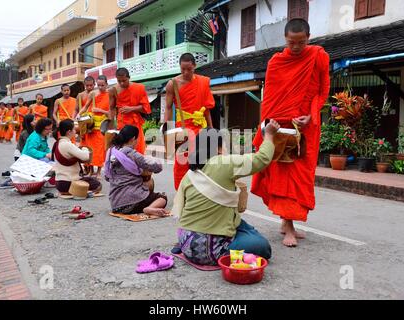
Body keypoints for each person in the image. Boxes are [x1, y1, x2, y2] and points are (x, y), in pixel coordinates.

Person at [251, 19, 330, 247]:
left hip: (305, 128)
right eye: (291, 42)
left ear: (309, 37)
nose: (296, 47)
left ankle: (288, 223)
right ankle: (289, 226)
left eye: (301, 42)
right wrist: (267, 126)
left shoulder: (318, 57)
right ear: (285, 39)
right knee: (283, 176)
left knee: (300, 176)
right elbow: (271, 99)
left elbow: (322, 90)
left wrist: (311, 116)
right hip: (280, 128)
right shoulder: (276, 62)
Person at [172, 120, 280, 266]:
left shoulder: (190, 172)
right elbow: (261, 159)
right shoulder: (223, 163)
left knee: (241, 224)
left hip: (186, 241)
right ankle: (231, 245)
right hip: (207, 251)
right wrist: (269, 135)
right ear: (217, 148)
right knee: (262, 247)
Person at [164, 53, 215, 190]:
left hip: (200, 127)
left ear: (194, 66)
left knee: (202, 161)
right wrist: (167, 129)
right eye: (183, 69)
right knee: (182, 162)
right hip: (183, 129)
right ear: (179, 67)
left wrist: (211, 129)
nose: (186, 72)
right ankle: (181, 192)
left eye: (189, 69)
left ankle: (200, 193)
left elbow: (207, 109)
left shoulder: (203, 82)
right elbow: (168, 108)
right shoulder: (172, 84)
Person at [104, 125, 168, 217]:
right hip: (133, 202)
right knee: (162, 198)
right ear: (133, 138)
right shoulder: (132, 154)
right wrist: (152, 159)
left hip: (116, 204)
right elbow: (157, 168)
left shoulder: (111, 152)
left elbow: (107, 177)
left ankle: (145, 205)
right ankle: (149, 208)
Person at [52, 119, 102, 195]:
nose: (75, 132)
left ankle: (68, 191)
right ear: (69, 132)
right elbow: (85, 157)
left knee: (89, 180)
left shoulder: (57, 143)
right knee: (97, 184)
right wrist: (84, 148)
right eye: (74, 130)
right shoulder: (67, 144)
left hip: (59, 183)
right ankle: (77, 191)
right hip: (69, 182)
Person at [109, 68, 151, 155]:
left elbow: (145, 108)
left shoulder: (139, 88)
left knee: (137, 147)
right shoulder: (113, 90)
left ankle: (137, 166)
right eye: (119, 81)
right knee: (123, 147)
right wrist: (111, 125)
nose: (122, 83)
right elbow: (112, 108)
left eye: (124, 80)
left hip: (135, 123)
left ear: (129, 77)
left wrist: (131, 109)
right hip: (122, 123)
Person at [80, 75, 110, 178]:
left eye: (103, 85)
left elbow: (111, 113)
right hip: (90, 126)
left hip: (102, 126)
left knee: (100, 150)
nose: (100, 87)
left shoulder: (110, 95)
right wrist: (78, 116)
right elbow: (85, 106)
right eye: (99, 85)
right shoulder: (93, 94)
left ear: (107, 84)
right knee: (90, 149)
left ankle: (99, 171)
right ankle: (91, 170)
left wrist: (100, 111)